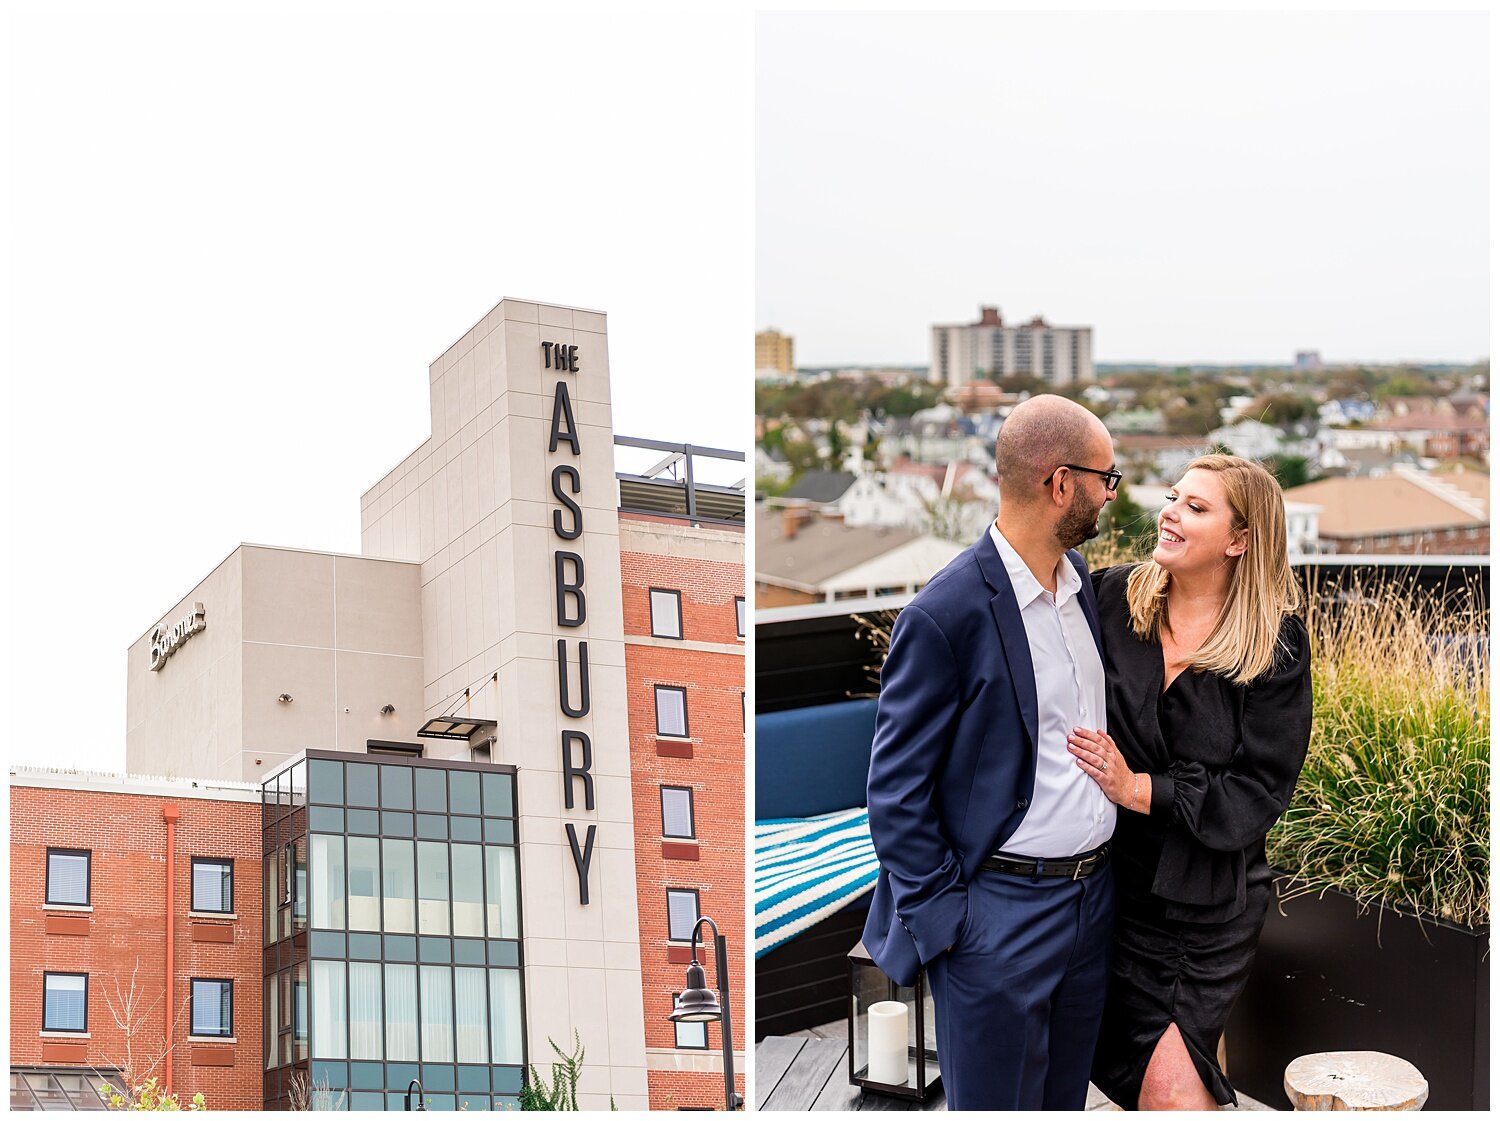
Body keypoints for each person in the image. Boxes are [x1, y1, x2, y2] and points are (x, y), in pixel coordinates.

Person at [863, 394, 1121, 1110]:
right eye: (1107, 476)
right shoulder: (944, 614)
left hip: (1091, 903)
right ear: (1061, 483)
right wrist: (955, 923)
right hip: (997, 918)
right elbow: (893, 793)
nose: (1111, 493)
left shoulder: (1084, 591)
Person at [1066, 454, 1313, 1110]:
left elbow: (1260, 789)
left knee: (1172, 1092)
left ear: (1240, 540)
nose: (1169, 511)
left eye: (1196, 506)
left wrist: (1138, 788)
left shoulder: (1274, 643)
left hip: (1204, 911)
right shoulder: (1110, 598)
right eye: (1174, 497)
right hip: (1105, 891)